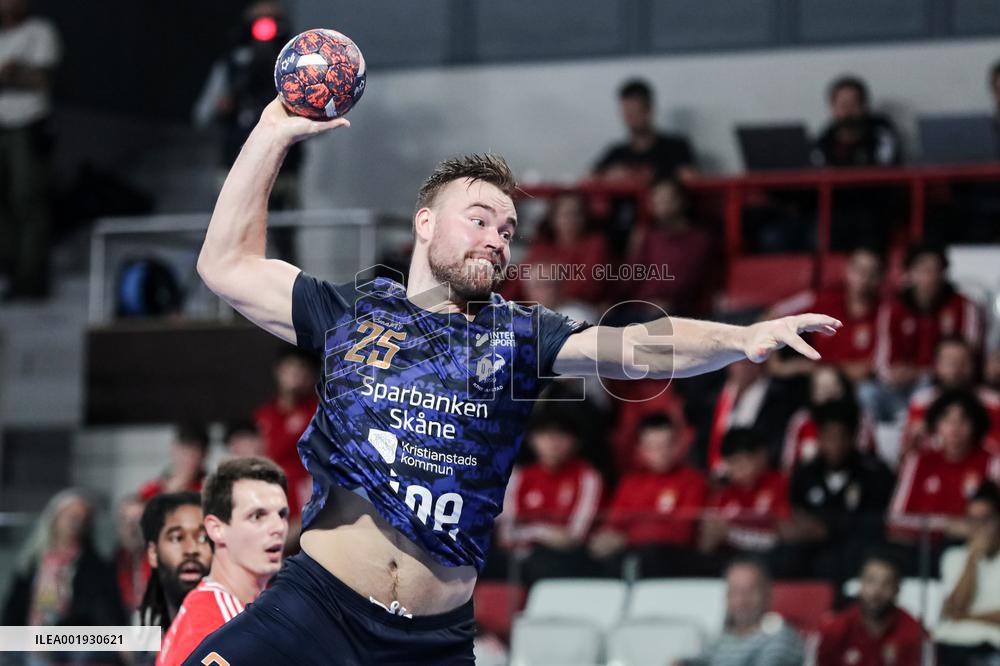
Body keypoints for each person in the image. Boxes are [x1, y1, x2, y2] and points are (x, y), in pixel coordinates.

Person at [188, 95, 839, 664]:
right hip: (315, 614)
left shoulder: (522, 334)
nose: (498, 239)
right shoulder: (349, 313)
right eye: (479, 219)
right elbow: (226, 265)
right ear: (424, 223)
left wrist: (743, 339)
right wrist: (272, 133)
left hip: (429, 643)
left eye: (507, 230)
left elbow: (639, 347)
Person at [157, 457, 288, 666]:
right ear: (216, 529)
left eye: (282, 514)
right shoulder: (214, 625)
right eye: (257, 516)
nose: (278, 527)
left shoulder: (227, 612)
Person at [868, 243, 984, 422]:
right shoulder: (892, 309)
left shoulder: (964, 306)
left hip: (947, 385)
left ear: (944, 273)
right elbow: (883, 363)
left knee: (925, 389)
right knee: (867, 393)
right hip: (900, 387)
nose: (929, 277)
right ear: (909, 273)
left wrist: (924, 373)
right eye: (923, 270)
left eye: (935, 270)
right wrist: (892, 374)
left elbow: (969, 358)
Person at [782, 401, 895, 582]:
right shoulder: (804, 473)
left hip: (856, 552)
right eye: (829, 437)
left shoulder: (875, 473)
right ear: (819, 438)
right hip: (811, 550)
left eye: (841, 436)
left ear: (853, 437)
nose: (835, 445)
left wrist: (829, 529)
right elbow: (796, 512)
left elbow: (878, 521)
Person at [889, 391, 1000, 568]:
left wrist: (969, 529)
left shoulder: (992, 463)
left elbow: (994, 519)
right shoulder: (918, 461)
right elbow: (895, 519)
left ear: (976, 425)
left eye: (964, 421)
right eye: (947, 420)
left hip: (972, 549)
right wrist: (946, 525)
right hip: (919, 550)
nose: (955, 428)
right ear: (936, 425)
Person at [587, 413, 707, 577]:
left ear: (678, 445)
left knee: (655, 556)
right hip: (629, 555)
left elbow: (682, 533)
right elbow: (613, 525)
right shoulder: (630, 482)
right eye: (652, 447)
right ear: (641, 449)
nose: (660, 453)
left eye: (666, 445)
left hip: (671, 559)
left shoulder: (693, 481)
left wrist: (627, 538)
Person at [498, 412, 602, 585]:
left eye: (561, 437)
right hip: (519, 559)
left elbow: (574, 537)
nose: (553, 444)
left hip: (564, 560)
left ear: (575, 442)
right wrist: (543, 532)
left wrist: (531, 531)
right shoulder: (520, 477)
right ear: (532, 440)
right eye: (545, 436)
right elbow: (507, 535)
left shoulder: (586, 476)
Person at [0, 0, 60, 300]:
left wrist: (14, 74)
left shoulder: (39, 31)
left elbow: (41, 78)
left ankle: (32, 278)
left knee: (28, 198)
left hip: (27, 123)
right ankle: (9, 273)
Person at [2, 489, 126, 627]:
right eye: (70, 516)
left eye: (82, 518)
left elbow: (101, 613)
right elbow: (13, 610)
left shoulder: (95, 568)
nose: (76, 523)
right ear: (55, 519)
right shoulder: (32, 562)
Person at [770, 245, 884, 384]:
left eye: (871, 273)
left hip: (860, 387)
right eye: (859, 271)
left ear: (881, 277)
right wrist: (776, 366)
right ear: (847, 270)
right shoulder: (820, 299)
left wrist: (831, 369)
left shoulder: (886, 313)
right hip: (814, 382)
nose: (864, 279)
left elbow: (868, 369)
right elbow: (773, 314)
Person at [674, 558, 804, 666]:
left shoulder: (779, 636)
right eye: (734, 592)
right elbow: (700, 660)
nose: (741, 601)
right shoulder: (722, 638)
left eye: (749, 592)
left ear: (767, 594)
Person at [700, 429, 791, 570]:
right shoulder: (722, 496)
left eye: (743, 461)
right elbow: (705, 545)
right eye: (732, 463)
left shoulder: (781, 485)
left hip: (769, 561)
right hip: (730, 562)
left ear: (761, 456)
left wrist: (731, 534)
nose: (738, 469)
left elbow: (782, 535)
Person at [816, 553, 927, 666]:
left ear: (897, 589)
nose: (876, 591)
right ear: (860, 583)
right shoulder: (836, 629)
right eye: (870, 581)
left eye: (886, 584)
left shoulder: (913, 631)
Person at [625, 177, 715, 318]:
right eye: (656, 201)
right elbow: (632, 276)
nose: (661, 205)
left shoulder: (698, 239)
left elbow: (686, 281)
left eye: (666, 199)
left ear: (682, 202)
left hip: (680, 309)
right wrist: (633, 252)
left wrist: (665, 303)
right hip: (641, 306)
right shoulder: (647, 236)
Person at [254, 348, 319, 539]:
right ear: (278, 371)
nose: (296, 373)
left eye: (302, 368)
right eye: (290, 366)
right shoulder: (264, 415)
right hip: (270, 497)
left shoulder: (318, 412)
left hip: (304, 501)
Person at [503, 192, 610, 305]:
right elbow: (519, 282)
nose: (570, 220)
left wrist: (549, 291)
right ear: (553, 218)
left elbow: (589, 285)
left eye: (576, 214)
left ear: (585, 217)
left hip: (577, 305)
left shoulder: (595, 244)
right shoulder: (542, 246)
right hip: (540, 306)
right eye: (565, 214)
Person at [935, 482, 1000, 664]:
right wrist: (972, 559)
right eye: (973, 520)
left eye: (986, 520)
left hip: (992, 645)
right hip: (951, 644)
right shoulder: (954, 556)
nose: (979, 527)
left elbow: (959, 614)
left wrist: (968, 617)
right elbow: (954, 608)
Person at [903, 337, 1000, 458]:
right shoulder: (921, 401)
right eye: (950, 362)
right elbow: (908, 451)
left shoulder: (994, 402)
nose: (957, 369)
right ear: (936, 365)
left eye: (963, 362)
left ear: (974, 364)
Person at [593, 78, 696, 183]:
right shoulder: (616, 153)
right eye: (627, 113)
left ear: (649, 110)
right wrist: (605, 177)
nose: (631, 119)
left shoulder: (675, 147)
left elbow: (690, 178)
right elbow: (588, 179)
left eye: (636, 112)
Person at [137, 491, 212, 632]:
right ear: (153, 553)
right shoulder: (145, 637)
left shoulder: (237, 629)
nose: (191, 550)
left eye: (203, 538)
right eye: (177, 538)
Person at [814, 75, 901, 168]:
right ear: (833, 107)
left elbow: (887, 171)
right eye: (843, 105)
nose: (848, 111)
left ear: (864, 106)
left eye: (853, 104)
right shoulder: (824, 141)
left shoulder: (881, 134)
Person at [139, 424, 211, 501]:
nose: (187, 459)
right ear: (173, 449)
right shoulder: (153, 488)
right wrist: (169, 490)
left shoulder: (211, 490)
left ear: (205, 454)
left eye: (193, 454)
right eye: (183, 452)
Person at [114, 493, 150, 616]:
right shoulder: (113, 565)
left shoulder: (163, 563)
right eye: (125, 520)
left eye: (137, 520)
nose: (132, 528)